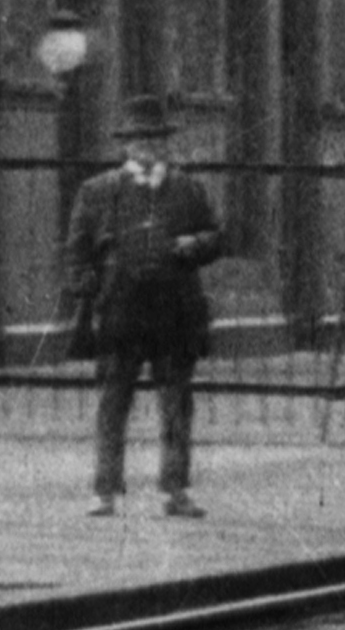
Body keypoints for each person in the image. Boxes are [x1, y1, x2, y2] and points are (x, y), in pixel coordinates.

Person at [61, 94, 224, 518]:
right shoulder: (97, 192)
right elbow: (76, 250)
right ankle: (105, 491)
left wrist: (197, 243)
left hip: (175, 311)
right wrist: (86, 286)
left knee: (176, 403)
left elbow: (216, 236)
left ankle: (175, 491)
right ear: (125, 146)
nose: (146, 147)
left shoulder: (189, 189)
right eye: (137, 140)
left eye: (153, 138)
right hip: (120, 312)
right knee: (113, 403)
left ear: (165, 144)